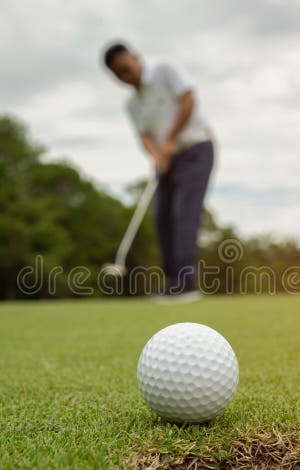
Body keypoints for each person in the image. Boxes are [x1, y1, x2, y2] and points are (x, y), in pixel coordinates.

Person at [102, 41, 215, 301]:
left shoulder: (165, 71)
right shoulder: (132, 104)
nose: (126, 77)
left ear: (135, 57)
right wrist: (157, 154)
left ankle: (187, 285)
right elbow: (144, 135)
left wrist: (171, 138)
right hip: (168, 159)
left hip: (196, 148)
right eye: (118, 75)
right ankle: (173, 282)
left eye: (126, 69)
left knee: (184, 212)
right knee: (161, 217)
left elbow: (188, 100)